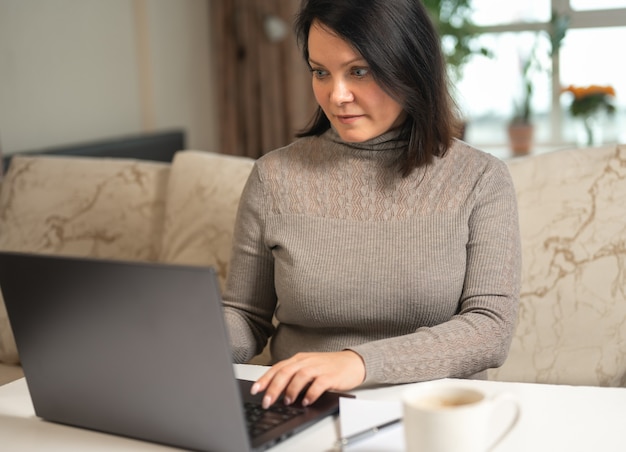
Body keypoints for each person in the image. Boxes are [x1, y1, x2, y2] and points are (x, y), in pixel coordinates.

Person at [222, 0, 521, 410]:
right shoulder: (274, 176)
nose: (336, 95)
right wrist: (193, 344)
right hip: (302, 409)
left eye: (358, 71)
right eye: (320, 72)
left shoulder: (480, 178)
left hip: (434, 411)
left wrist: (359, 363)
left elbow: (490, 328)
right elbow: (245, 316)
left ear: (409, 67)